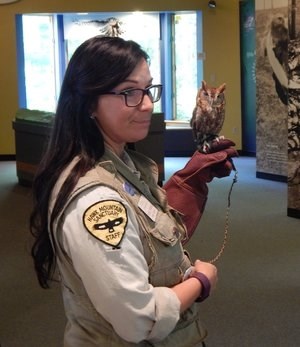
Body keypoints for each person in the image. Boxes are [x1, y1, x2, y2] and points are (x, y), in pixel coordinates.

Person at [30, 35, 237, 346]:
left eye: (148, 89)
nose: (147, 103)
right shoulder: (95, 201)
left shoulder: (122, 164)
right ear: (89, 103)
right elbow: (139, 319)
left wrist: (189, 184)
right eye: (129, 92)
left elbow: (143, 233)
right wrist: (201, 281)